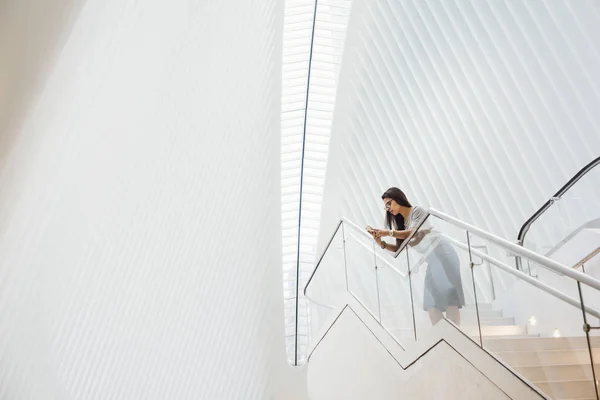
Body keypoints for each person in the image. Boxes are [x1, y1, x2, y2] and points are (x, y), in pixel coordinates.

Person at [368, 187, 465, 326]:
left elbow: (414, 232)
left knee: (449, 299)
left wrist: (388, 233)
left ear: (399, 198)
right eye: (385, 207)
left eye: (389, 203)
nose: (388, 208)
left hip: (442, 252)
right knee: (430, 304)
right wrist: (382, 243)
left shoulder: (417, 211)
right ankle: (445, 338)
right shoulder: (401, 225)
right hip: (431, 259)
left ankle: (455, 338)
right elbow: (398, 249)